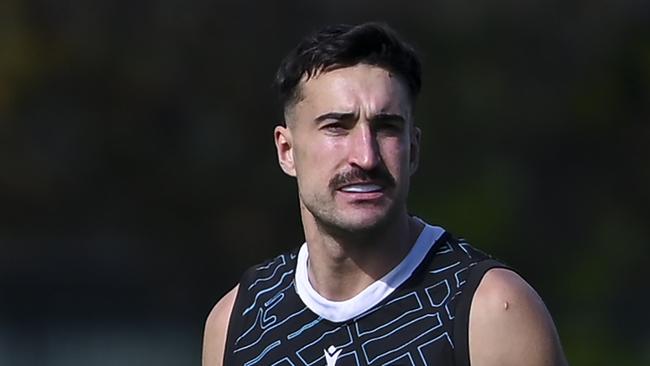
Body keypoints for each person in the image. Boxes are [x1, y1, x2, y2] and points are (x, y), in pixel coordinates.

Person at [202, 22, 568, 366]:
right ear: (287, 151)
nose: (365, 155)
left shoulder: (489, 311)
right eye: (336, 127)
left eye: (386, 128)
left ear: (414, 148)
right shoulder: (239, 319)